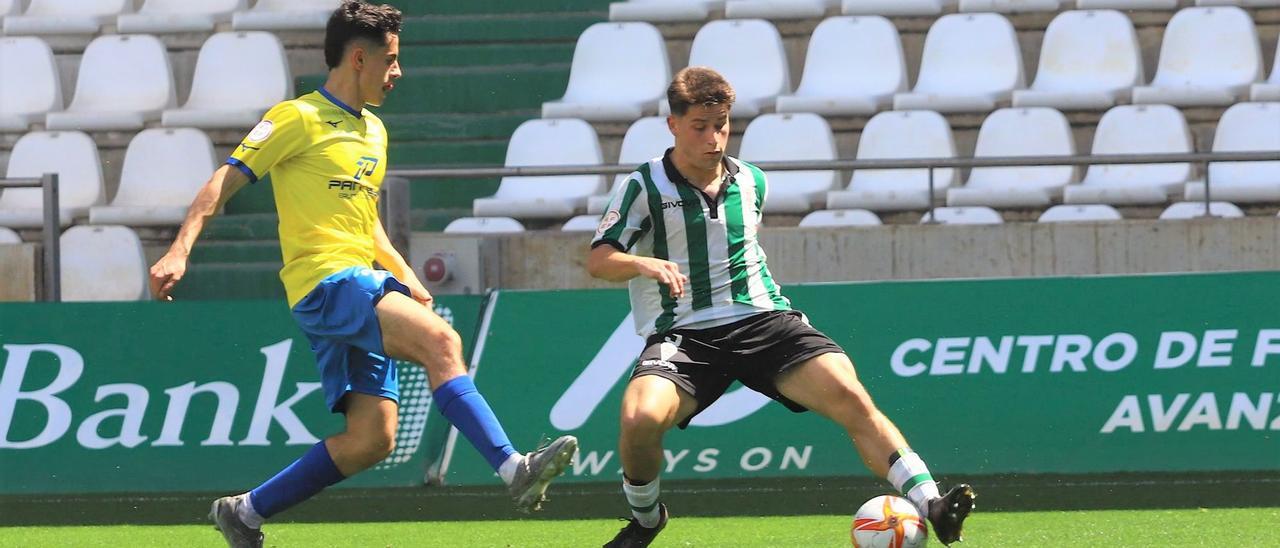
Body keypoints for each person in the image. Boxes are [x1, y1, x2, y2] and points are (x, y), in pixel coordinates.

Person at [148, 2, 578, 546]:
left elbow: (366, 221)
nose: (398, 73)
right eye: (391, 61)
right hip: (325, 283)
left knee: (371, 439)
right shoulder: (295, 117)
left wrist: (406, 277)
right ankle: (512, 468)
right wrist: (179, 250)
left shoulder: (374, 130)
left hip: (358, 283)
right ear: (358, 58)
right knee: (444, 342)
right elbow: (224, 181)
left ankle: (245, 512)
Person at [586, 67, 974, 548]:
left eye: (722, 125)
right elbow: (599, 260)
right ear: (673, 125)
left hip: (765, 321)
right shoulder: (643, 186)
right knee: (638, 420)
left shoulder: (751, 182)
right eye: (700, 127)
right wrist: (644, 264)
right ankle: (646, 520)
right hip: (684, 335)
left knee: (851, 396)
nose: (714, 138)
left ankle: (931, 504)